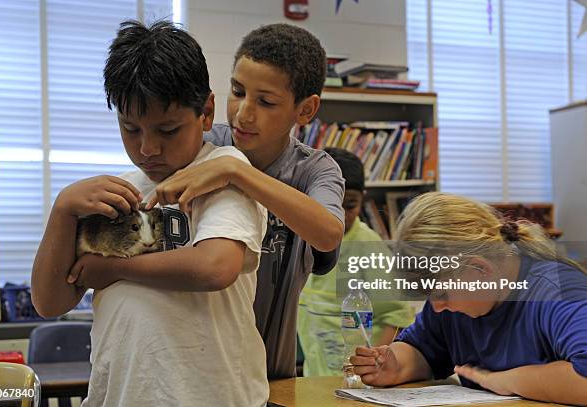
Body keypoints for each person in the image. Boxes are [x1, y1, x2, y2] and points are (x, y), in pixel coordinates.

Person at [31, 20, 269, 406]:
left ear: (206, 112)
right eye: (131, 129)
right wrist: (62, 211)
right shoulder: (118, 190)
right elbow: (50, 301)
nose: (148, 149)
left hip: (210, 397)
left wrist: (115, 269)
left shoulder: (225, 170)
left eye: (168, 130)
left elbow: (216, 267)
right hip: (123, 395)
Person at [146, 23, 345, 378]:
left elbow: (328, 233)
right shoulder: (202, 144)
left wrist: (236, 172)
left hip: (270, 376)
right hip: (187, 373)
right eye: (237, 91)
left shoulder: (315, 170)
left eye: (266, 102)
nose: (243, 113)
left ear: (306, 109)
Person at [350, 192, 587, 405]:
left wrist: (504, 381)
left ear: (480, 269)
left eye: (441, 294)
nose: (437, 307)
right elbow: (423, 348)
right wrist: (395, 366)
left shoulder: (558, 292)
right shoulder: (452, 304)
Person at [297, 147, 414, 376]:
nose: (340, 213)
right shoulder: (301, 240)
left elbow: (397, 316)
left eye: (349, 205)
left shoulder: (369, 248)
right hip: (316, 379)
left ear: (363, 199)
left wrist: (372, 367)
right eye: (330, 204)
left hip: (358, 381)